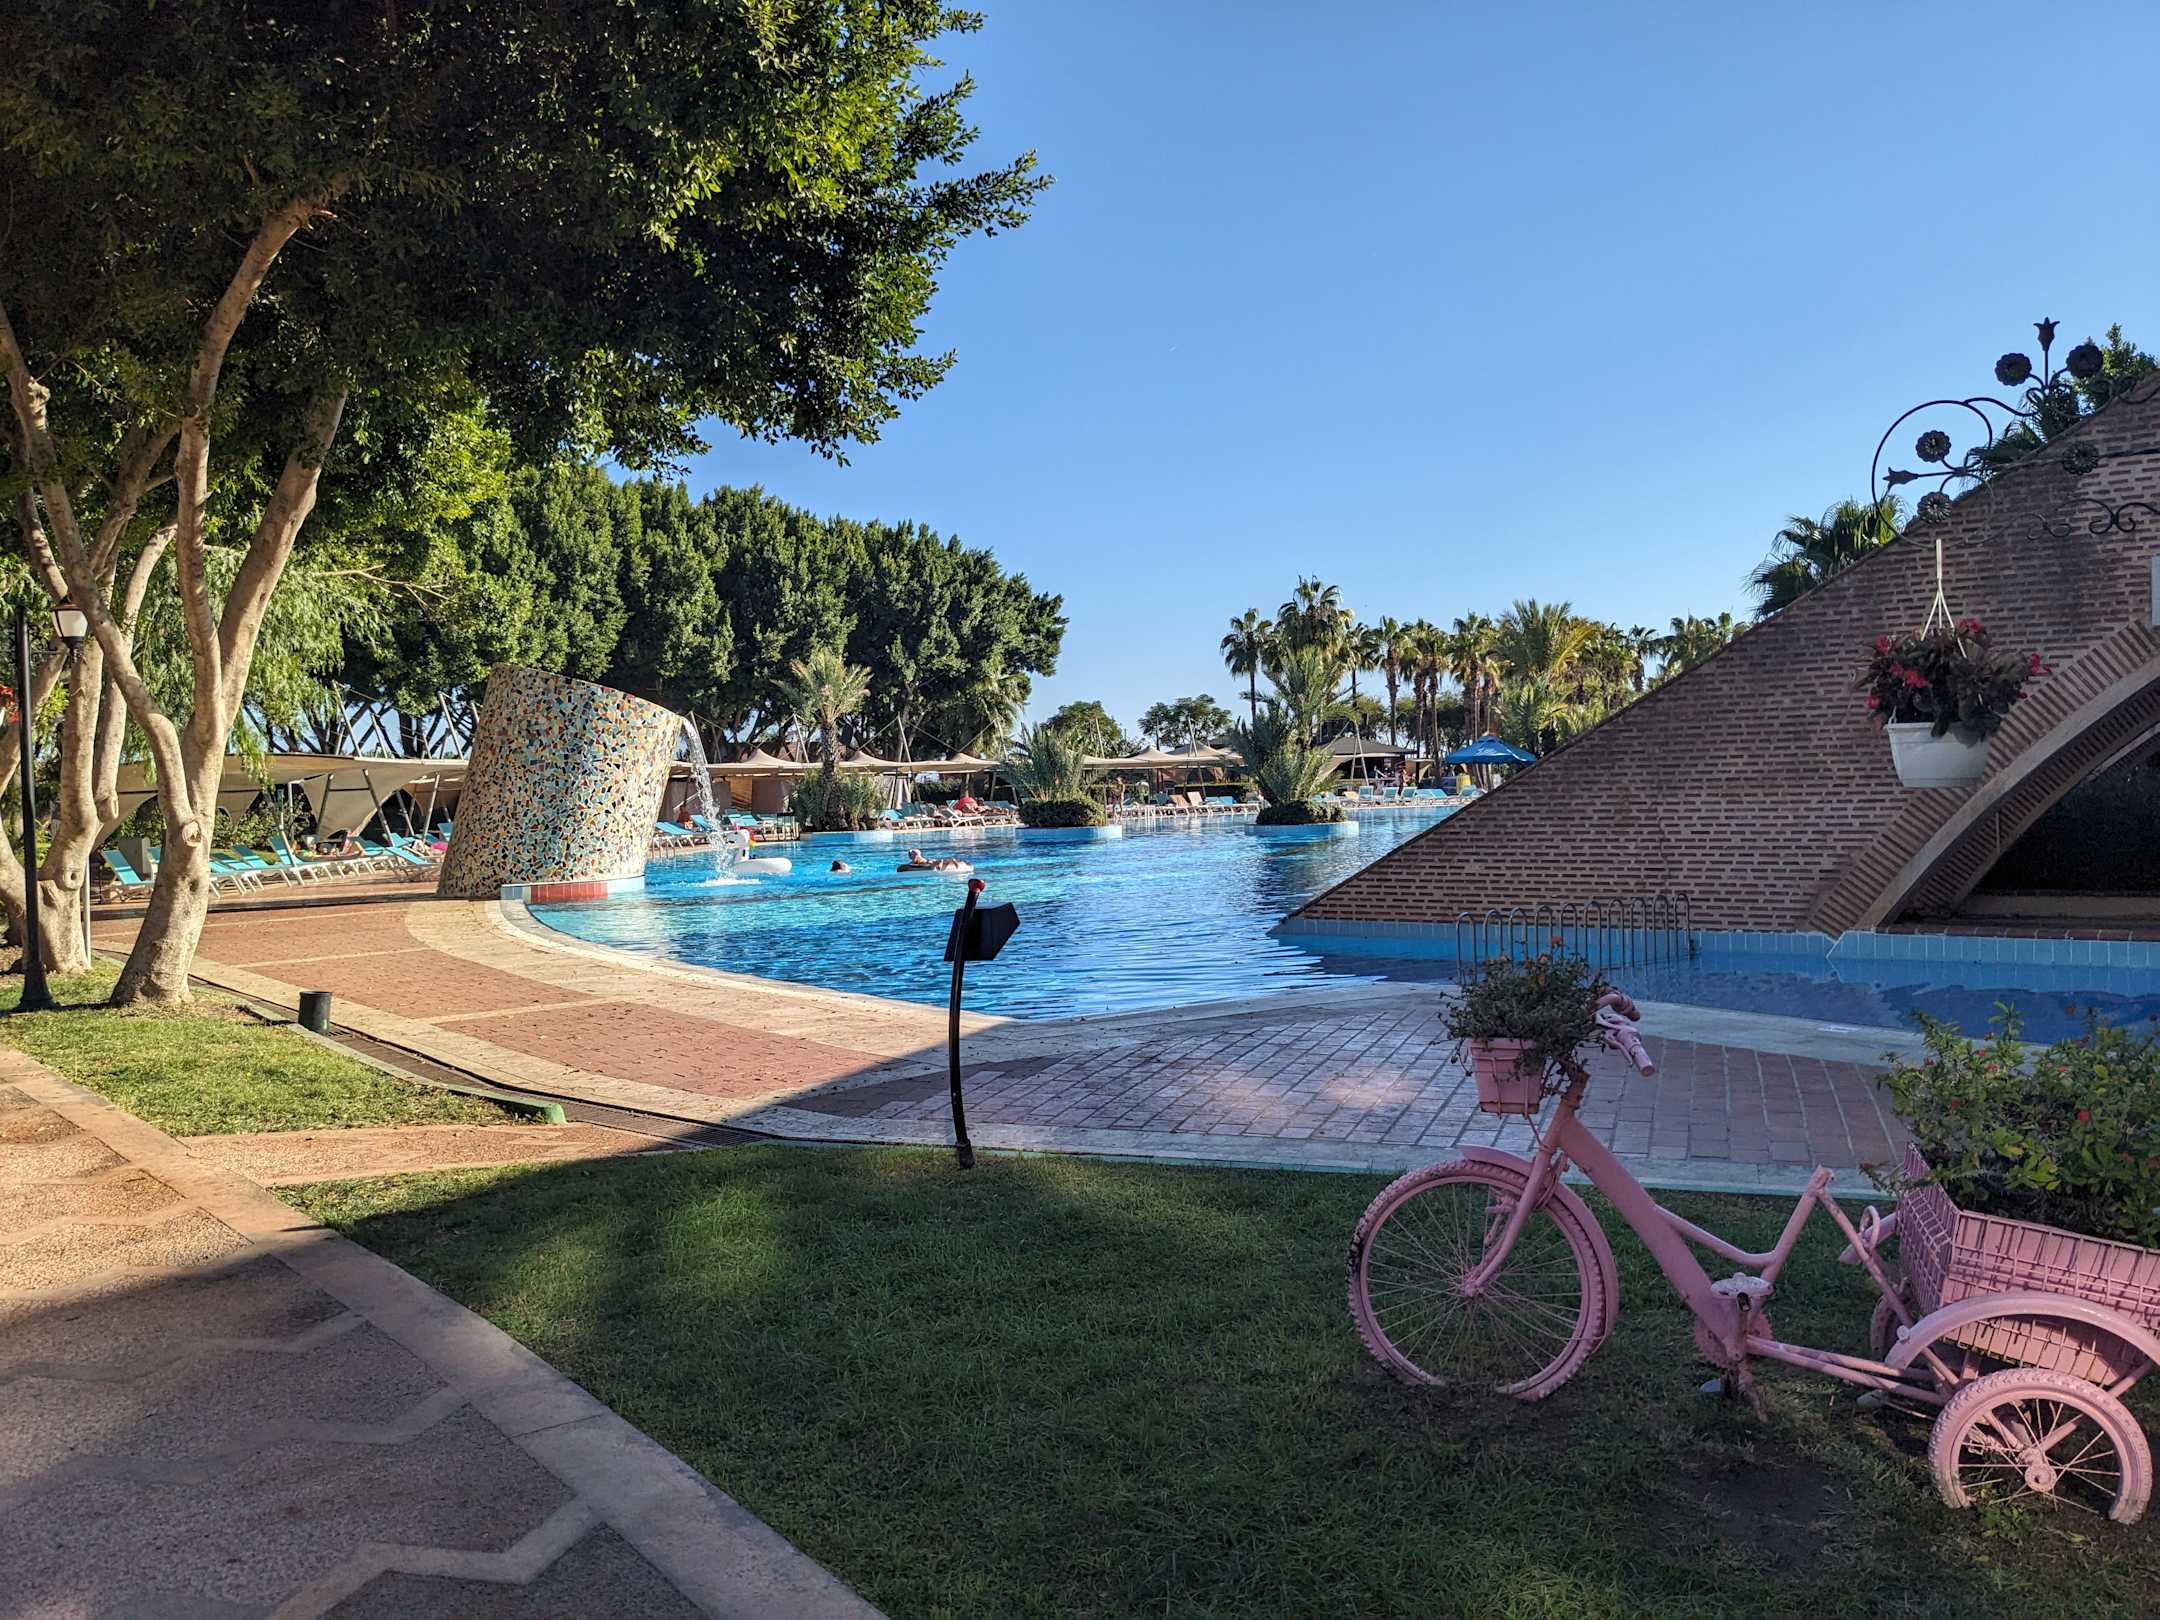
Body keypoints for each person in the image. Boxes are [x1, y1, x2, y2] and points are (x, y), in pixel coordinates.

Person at [898, 846, 972, 873]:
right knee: (933, 862)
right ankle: (946, 861)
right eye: (910, 855)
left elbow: (930, 863)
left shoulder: (921, 859)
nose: (910, 856)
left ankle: (952, 860)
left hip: (927, 863)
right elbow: (908, 865)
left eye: (911, 855)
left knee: (933, 862)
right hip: (924, 864)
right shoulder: (913, 860)